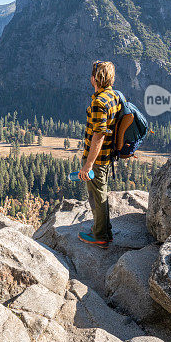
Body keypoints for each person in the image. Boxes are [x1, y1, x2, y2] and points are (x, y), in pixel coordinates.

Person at [77, 60, 123, 247]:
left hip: (98, 158)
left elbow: (99, 136)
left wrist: (88, 165)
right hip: (106, 156)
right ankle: (104, 230)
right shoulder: (115, 96)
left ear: (94, 78)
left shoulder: (98, 102)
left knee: (97, 195)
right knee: (99, 193)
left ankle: (100, 235)